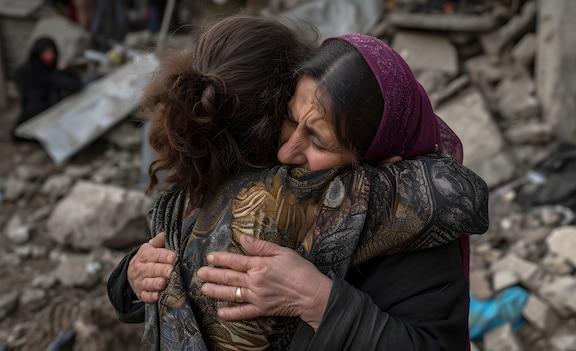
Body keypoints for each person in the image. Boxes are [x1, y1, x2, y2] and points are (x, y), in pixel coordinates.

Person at [107, 15, 488, 350]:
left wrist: (319, 301)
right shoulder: (213, 189)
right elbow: (146, 283)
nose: (287, 153)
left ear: (380, 154)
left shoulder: (411, 218)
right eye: (289, 120)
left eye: (319, 139)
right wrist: (132, 278)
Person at [11, 36, 82, 142]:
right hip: (35, 111)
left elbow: (75, 84)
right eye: (45, 53)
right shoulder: (27, 72)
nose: (49, 56)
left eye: (51, 53)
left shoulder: (55, 71)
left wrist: (62, 72)